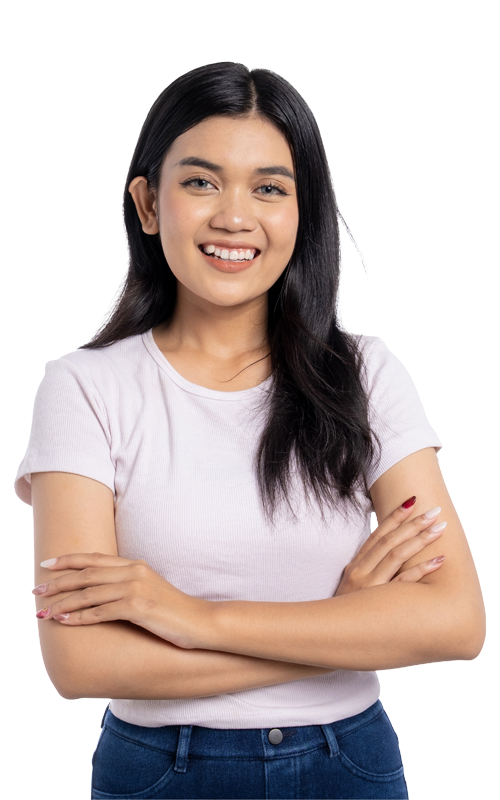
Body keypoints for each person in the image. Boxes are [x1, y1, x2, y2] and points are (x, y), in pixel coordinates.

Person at [14, 62, 485, 800]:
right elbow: (80, 663)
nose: (236, 216)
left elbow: (455, 622)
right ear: (147, 202)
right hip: (160, 770)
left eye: (269, 187)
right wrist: (340, 626)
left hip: (350, 762)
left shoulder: (365, 376)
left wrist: (192, 618)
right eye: (201, 182)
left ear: (303, 211)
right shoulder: (86, 388)